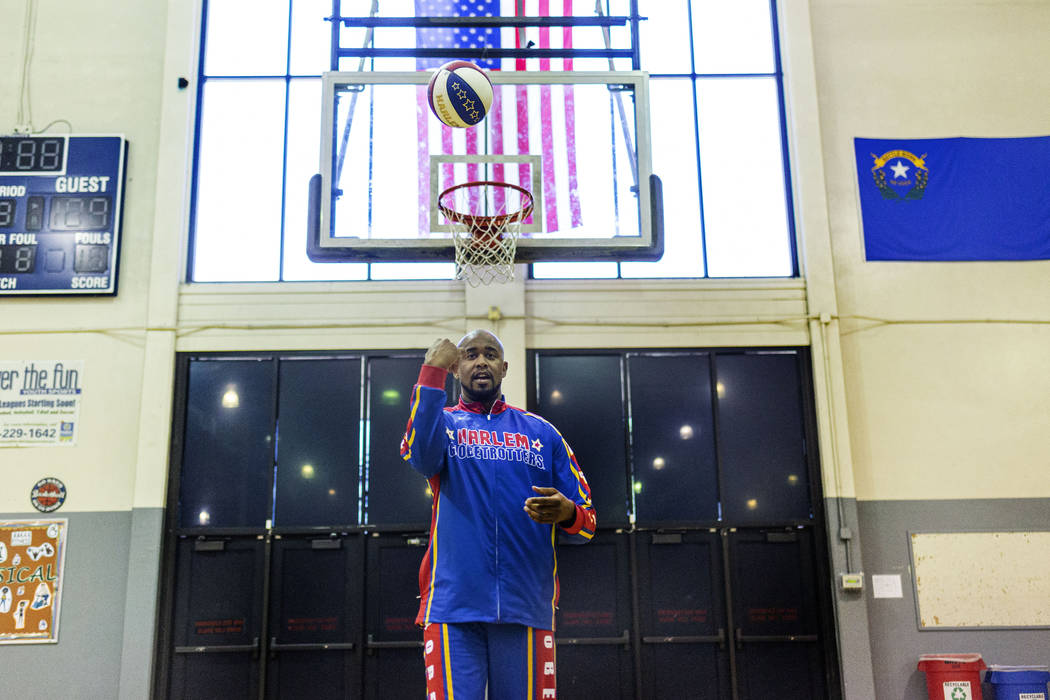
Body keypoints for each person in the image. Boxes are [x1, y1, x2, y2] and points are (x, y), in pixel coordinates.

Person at [400, 329, 597, 700]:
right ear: (457, 367)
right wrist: (430, 373)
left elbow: (587, 524)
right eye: (470, 354)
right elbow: (420, 456)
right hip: (452, 607)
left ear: (504, 368)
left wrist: (568, 512)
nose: (480, 362)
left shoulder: (543, 434)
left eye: (490, 355)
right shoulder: (442, 424)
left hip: (526, 608)